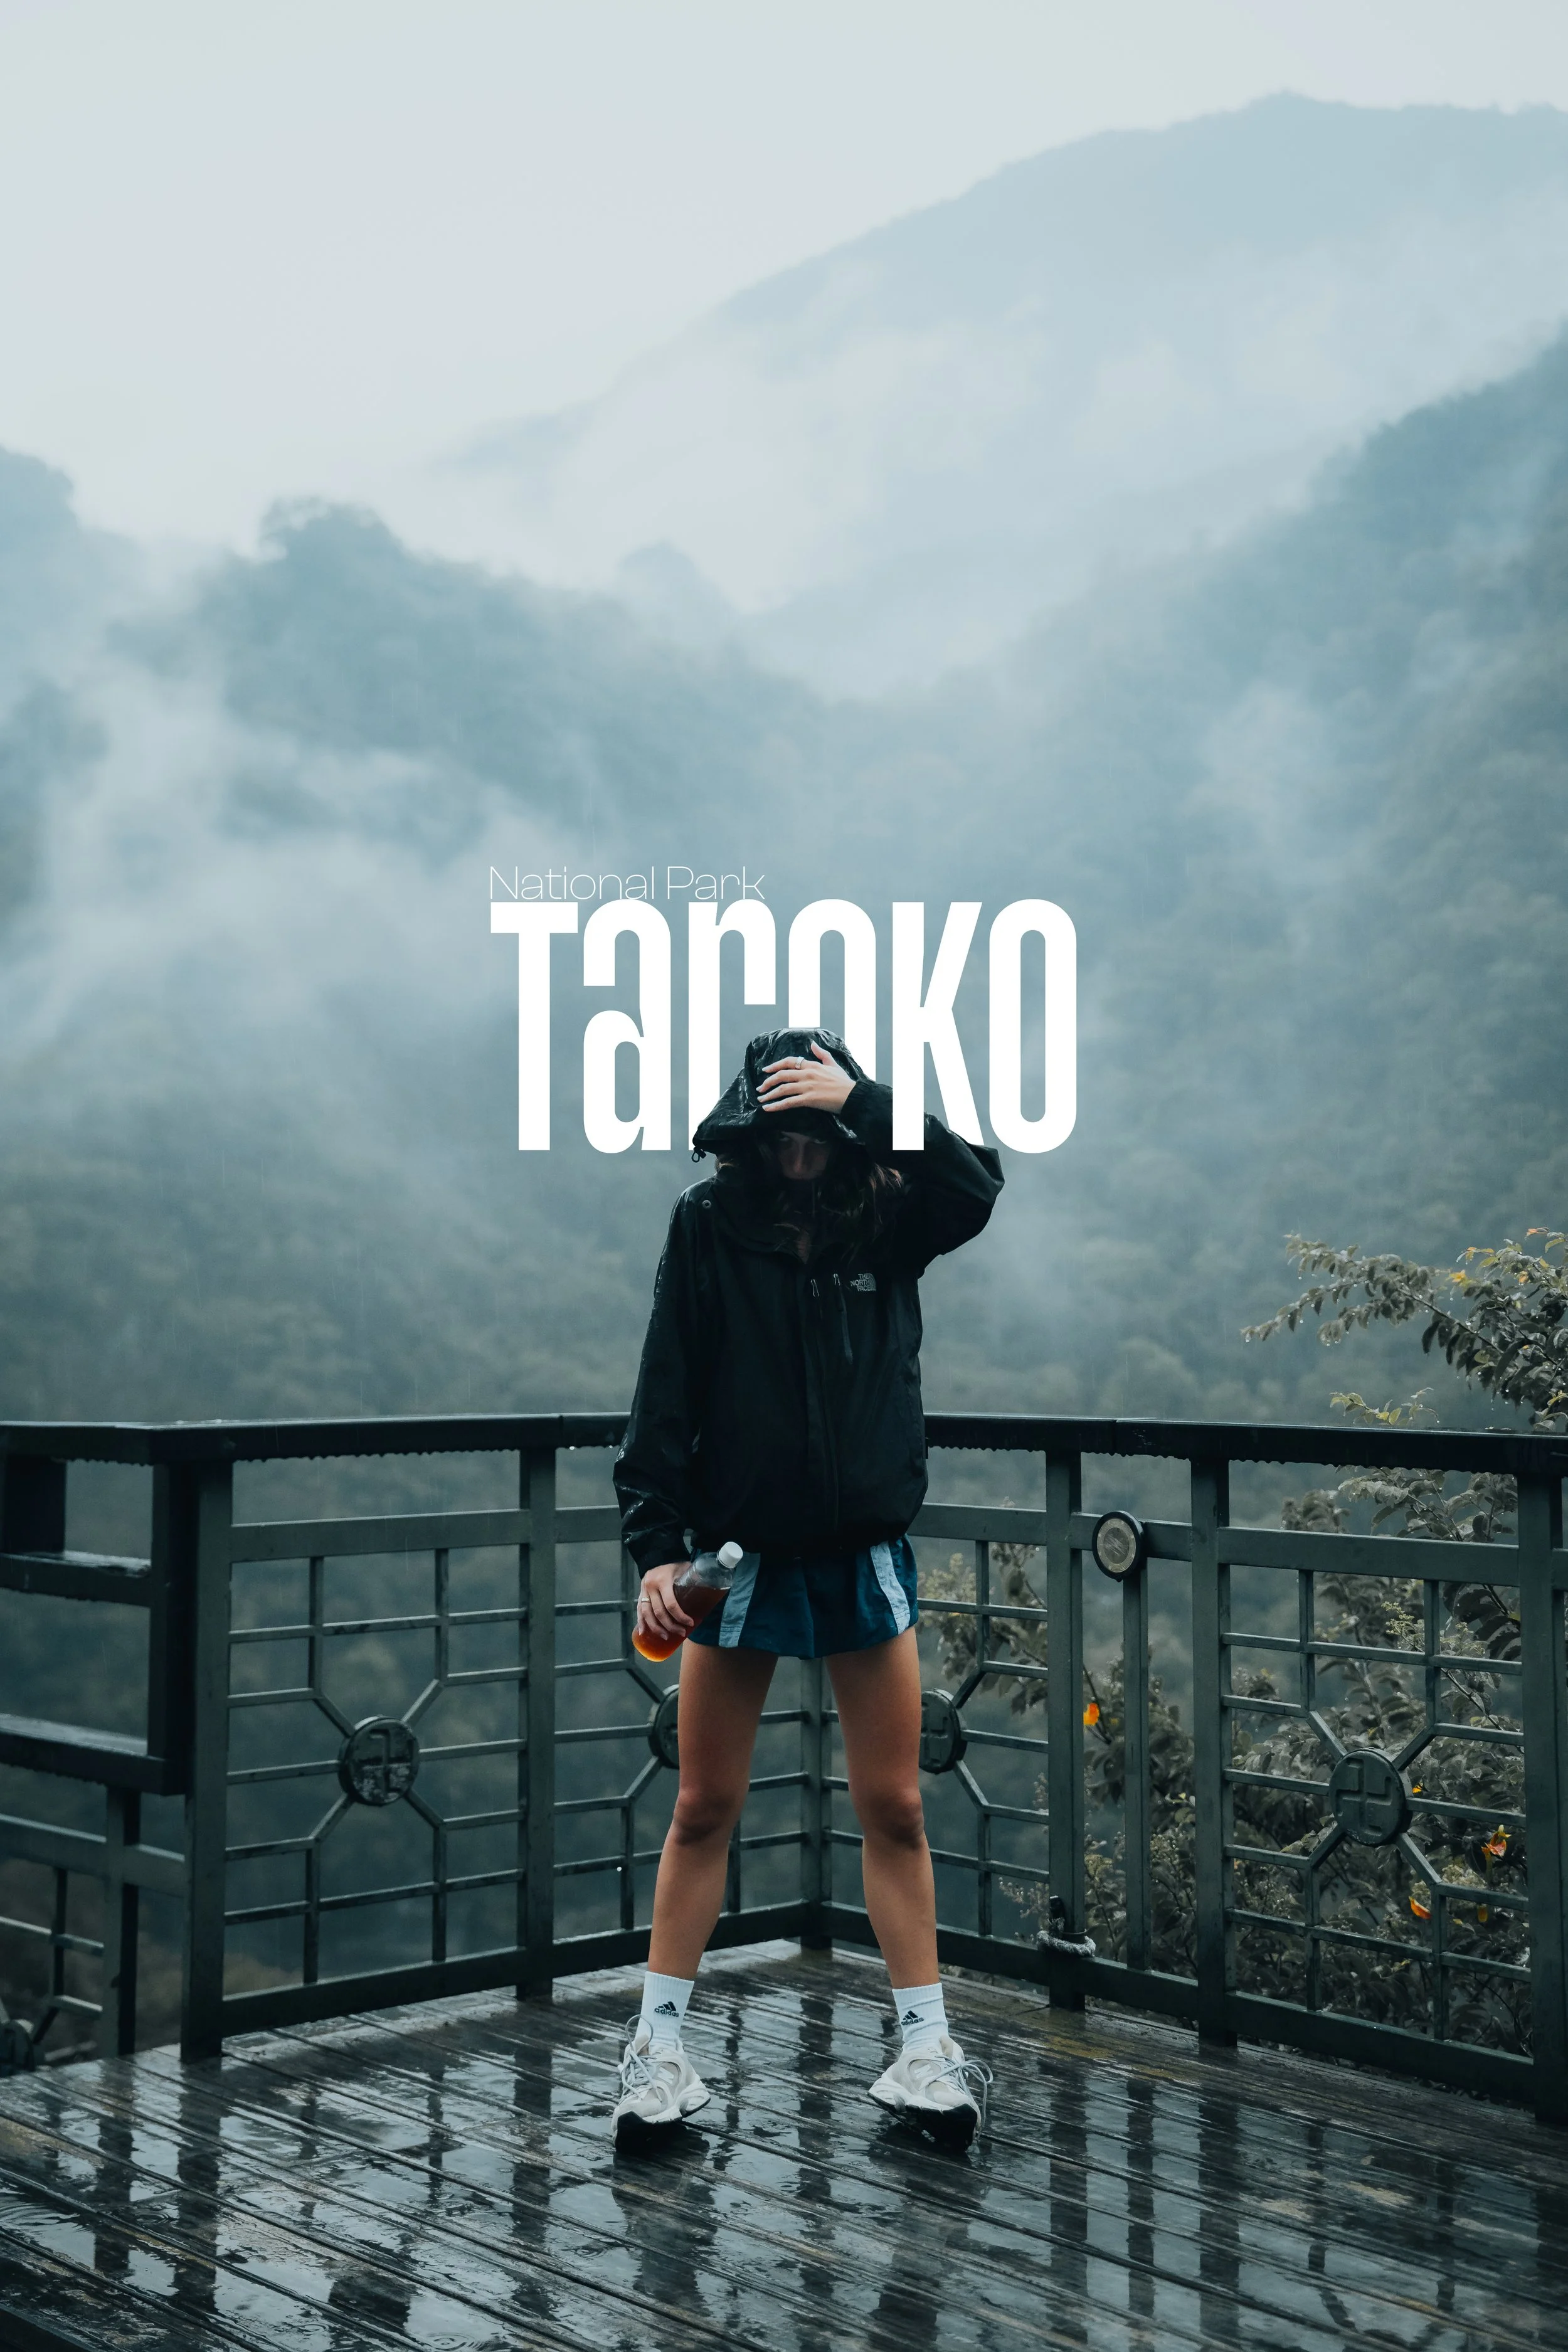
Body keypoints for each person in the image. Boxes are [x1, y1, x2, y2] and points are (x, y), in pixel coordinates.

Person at [610, 1025, 1003, 2149]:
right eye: (781, 1130)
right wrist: (655, 1548)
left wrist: (865, 1099)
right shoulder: (707, 1222)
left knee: (896, 1805)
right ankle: (656, 2050)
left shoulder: (889, 1211)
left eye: (816, 1129)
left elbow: (976, 1187)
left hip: (862, 1552)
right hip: (738, 1561)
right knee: (703, 1805)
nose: (798, 1152)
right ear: (750, 1130)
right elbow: (665, 1389)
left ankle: (926, 2050)